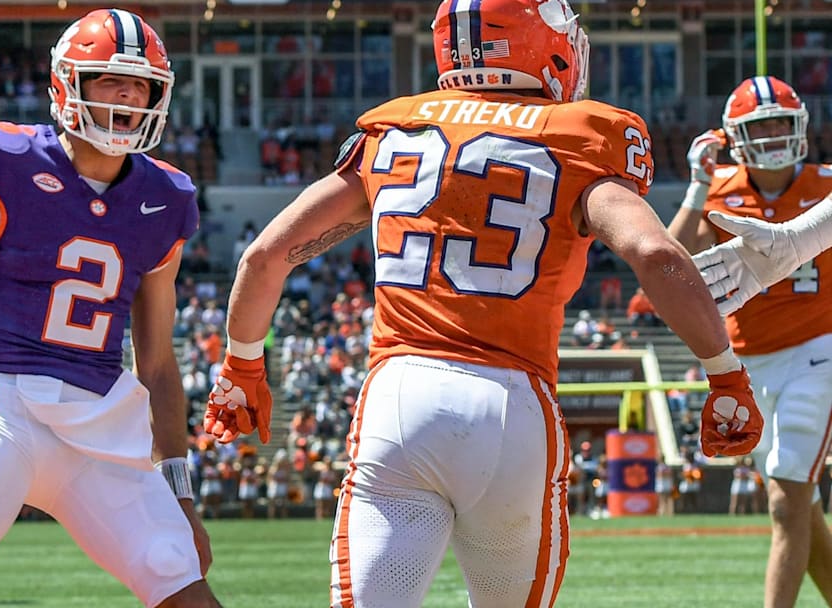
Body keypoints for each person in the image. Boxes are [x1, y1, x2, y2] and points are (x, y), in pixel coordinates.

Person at [204, 1, 761, 605]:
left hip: (400, 398)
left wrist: (242, 367)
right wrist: (723, 371)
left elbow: (264, 256)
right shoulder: (582, 132)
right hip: (512, 405)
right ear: (547, 45)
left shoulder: (394, 127)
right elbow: (655, 253)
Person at [0, 9, 222, 608]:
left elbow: (159, 366)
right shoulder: (3, 161)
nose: (128, 95)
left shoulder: (166, 198)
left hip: (102, 424)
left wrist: (180, 492)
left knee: (176, 571)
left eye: (141, 84)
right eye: (112, 79)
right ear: (69, 83)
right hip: (3, 406)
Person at [666, 75, 832, 608]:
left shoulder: (826, 182)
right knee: (800, 509)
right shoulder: (718, 187)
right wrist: (696, 186)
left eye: (783, 122)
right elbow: (666, 263)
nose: (775, 134)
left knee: (786, 501)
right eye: (762, 126)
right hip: (749, 365)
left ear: (803, 125)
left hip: (818, 351)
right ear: (735, 135)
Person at [693, 193, 832, 315]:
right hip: (747, 335)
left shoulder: (823, 176)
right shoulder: (719, 182)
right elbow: (687, 250)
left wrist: (800, 238)